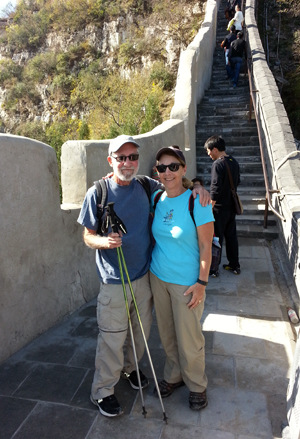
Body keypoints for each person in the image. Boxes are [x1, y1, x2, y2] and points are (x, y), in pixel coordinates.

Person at [77, 134, 210, 418]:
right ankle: (102, 391)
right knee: (113, 337)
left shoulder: (146, 186)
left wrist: (199, 186)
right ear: (110, 160)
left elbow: (179, 184)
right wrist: (104, 242)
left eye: (133, 157)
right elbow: (87, 236)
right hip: (115, 280)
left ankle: (130, 370)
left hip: (144, 278)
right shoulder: (97, 193)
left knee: (140, 333)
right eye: (121, 158)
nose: (128, 163)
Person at [149, 146, 214, 411]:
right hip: (158, 277)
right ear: (157, 172)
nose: (167, 172)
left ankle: (197, 384)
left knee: (189, 338)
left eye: (173, 166)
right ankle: (174, 375)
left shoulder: (196, 201)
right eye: (162, 167)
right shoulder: (156, 198)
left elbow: (206, 247)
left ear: (184, 169)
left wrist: (201, 283)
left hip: (187, 283)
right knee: (166, 334)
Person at [204, 135, 241, 277]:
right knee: (231, 236)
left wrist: (210, 207)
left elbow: (215, 188)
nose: (208, 154)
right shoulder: (234, 161)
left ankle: (213, 269)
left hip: (219, 209)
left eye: (208, 151)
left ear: (214, 149)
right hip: (231, 206)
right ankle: (234, 265)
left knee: (216, 238)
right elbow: (238, 181)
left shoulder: (218, 164)